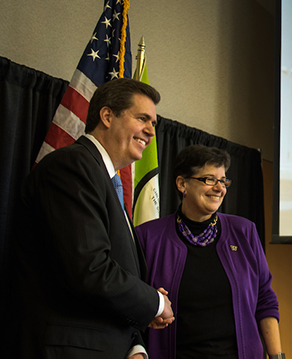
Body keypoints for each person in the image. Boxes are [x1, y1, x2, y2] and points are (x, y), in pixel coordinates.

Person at [18, 78, 175, 359]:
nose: (152, 131)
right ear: (107, 115)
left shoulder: (108, 182)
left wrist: (135, 345)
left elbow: (115, 274)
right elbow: (88, 269)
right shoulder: (73, 166)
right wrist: (154, 302)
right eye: (143, 119)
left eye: (154, 123)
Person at [136, 145, 283, 359]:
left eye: (223, 181)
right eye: (209, 179)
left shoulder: (244, 232)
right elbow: (131, 304)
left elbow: (265, 300)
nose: (219, 188)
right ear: (182, 183)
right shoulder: (148, 237)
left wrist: (277, 356)